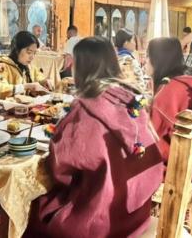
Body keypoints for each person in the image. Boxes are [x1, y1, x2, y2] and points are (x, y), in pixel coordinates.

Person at [25, 37, 164, 237]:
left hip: (101, 219)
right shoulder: (132, 98)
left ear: (81, 68)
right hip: (135, 212)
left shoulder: (86, 108)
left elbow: (60, 169)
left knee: (33, 209)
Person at [147, 37, 192, 163]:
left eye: (148, 56)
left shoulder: (168, 92)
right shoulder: (187, 78)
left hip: (174, 164)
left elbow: (154, 143)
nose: (145, 61)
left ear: (158, 60)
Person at [0, 31, 51, 106]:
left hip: (19, 111)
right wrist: (26, 86)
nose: (32, 57)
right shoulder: (1, 66)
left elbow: (38, 76)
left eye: (34, 53)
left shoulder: (28, 66)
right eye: (29, 52)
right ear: (17, 50)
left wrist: (43, 82)